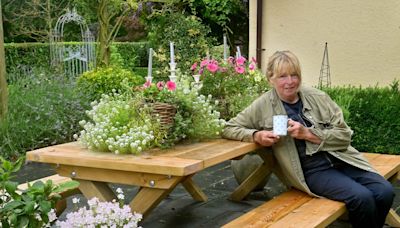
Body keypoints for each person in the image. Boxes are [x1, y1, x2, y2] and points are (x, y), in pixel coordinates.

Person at [222, 50, 394, 228]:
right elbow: (229, 128)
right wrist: (256, 135)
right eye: (282, 76)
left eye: (294, 75)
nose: (290, 82)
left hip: (342, 159)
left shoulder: (318, 97)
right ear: (270, 79)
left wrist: (309, 134)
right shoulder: (263, 105)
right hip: (312, 171)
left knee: (385, 191)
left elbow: (345, 136)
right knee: (362, 198)